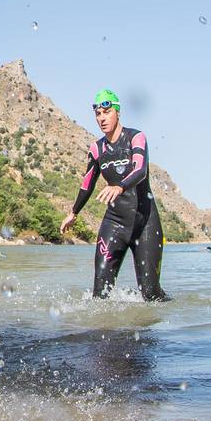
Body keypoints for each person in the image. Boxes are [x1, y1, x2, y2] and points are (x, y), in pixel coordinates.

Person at [60, 90, 171, 301]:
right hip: (115, 223)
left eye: (107, 112)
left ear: (118, 112)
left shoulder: (136, 138)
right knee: (99, 294)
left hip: (144, 223)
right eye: (98, 114)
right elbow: (87, 184)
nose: (102, 118)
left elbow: (140, 170)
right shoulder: (97, 148)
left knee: (151, 294)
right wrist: (73, 213)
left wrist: (119, 187)